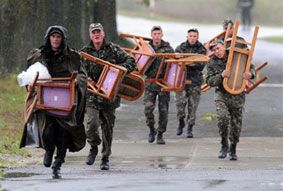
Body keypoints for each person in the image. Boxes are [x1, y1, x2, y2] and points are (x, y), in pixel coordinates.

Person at [20, 26, 88, 179]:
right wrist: (30, 85)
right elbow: (29, 75)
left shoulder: (73, 57)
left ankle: (58, 163)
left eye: (59, 36)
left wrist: (77, 81)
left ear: (63, 38)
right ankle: (49, 151)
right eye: (53, 36)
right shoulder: (38, 55)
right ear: (48, 38)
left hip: (66, 102)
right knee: (47, 130)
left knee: (64, 133)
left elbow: (83, 76)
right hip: (45, 100)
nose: (56, 39)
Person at [80, 23, 136, 170]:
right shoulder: (84, 52)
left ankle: (105, 157)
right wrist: (86, 79)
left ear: (103, 34)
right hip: (91, 95)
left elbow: (131, 62)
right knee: (91, 124)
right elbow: (76, 71)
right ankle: (93, 145)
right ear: (90, 35)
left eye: (98, 32)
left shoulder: (113, 49)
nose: (96, 35)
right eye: (93, 33)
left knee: (108, 127)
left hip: (109, 95)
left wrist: (120, 70)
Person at [205, 39, 255, 160]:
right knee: (222, 117)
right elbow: (209, 81)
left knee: (236, 124)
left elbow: (251, 67)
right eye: (214, 50)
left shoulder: (237, 56)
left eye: (218, 48)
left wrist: (250, 74)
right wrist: (221, 76)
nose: (217, 51)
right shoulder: (212, 62)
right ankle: (224, 144)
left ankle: (233, 148)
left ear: (224, 46)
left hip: (237, 94)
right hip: (222, 94)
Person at [144, 25, 174, 144]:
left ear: (162, 35)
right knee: (148, 109)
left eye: (159, 34)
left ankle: (160, 133)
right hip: (150, 83)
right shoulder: (146, 48)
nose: (156, 36)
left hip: (163, 83)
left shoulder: (168, 49)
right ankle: (152, 129)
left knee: (163, 110)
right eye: (154, 34)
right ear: (151, 35)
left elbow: (174, 66)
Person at [175, 28, 207, 138]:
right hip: (181, 80)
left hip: (195, 81)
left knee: (193, 106)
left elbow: (201, 65)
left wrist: (187, 62)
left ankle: (190, 127)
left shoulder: (201, 49)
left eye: (194, 36)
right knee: (180, 103)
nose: (192, 38)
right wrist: (180, 58)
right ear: (187, 37)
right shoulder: (181, 47)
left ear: (197, 37)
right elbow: (176, 61)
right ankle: (181, 121)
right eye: (190, 36)